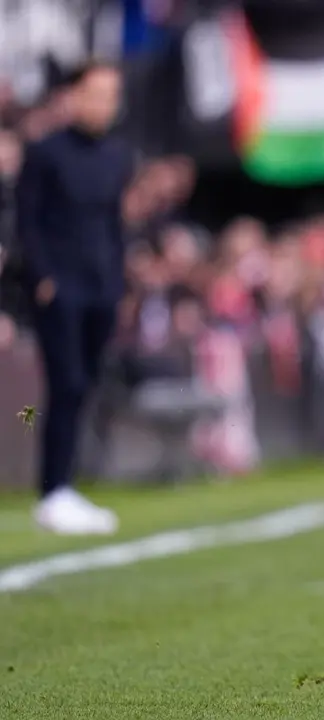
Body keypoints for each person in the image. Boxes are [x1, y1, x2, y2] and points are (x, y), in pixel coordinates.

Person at [16, 62, 133, 536]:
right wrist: (43, 277)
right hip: (60, 286)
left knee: (83, 384)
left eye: (112, 94)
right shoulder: (45, 152)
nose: (104, 103)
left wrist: (120, 283)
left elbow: (114, 225)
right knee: (65, 383)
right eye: (96, 93)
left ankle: (66, 483)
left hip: (101, 285)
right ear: (74, 96)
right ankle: (53, 489)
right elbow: (28, 220)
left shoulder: (118, 155)